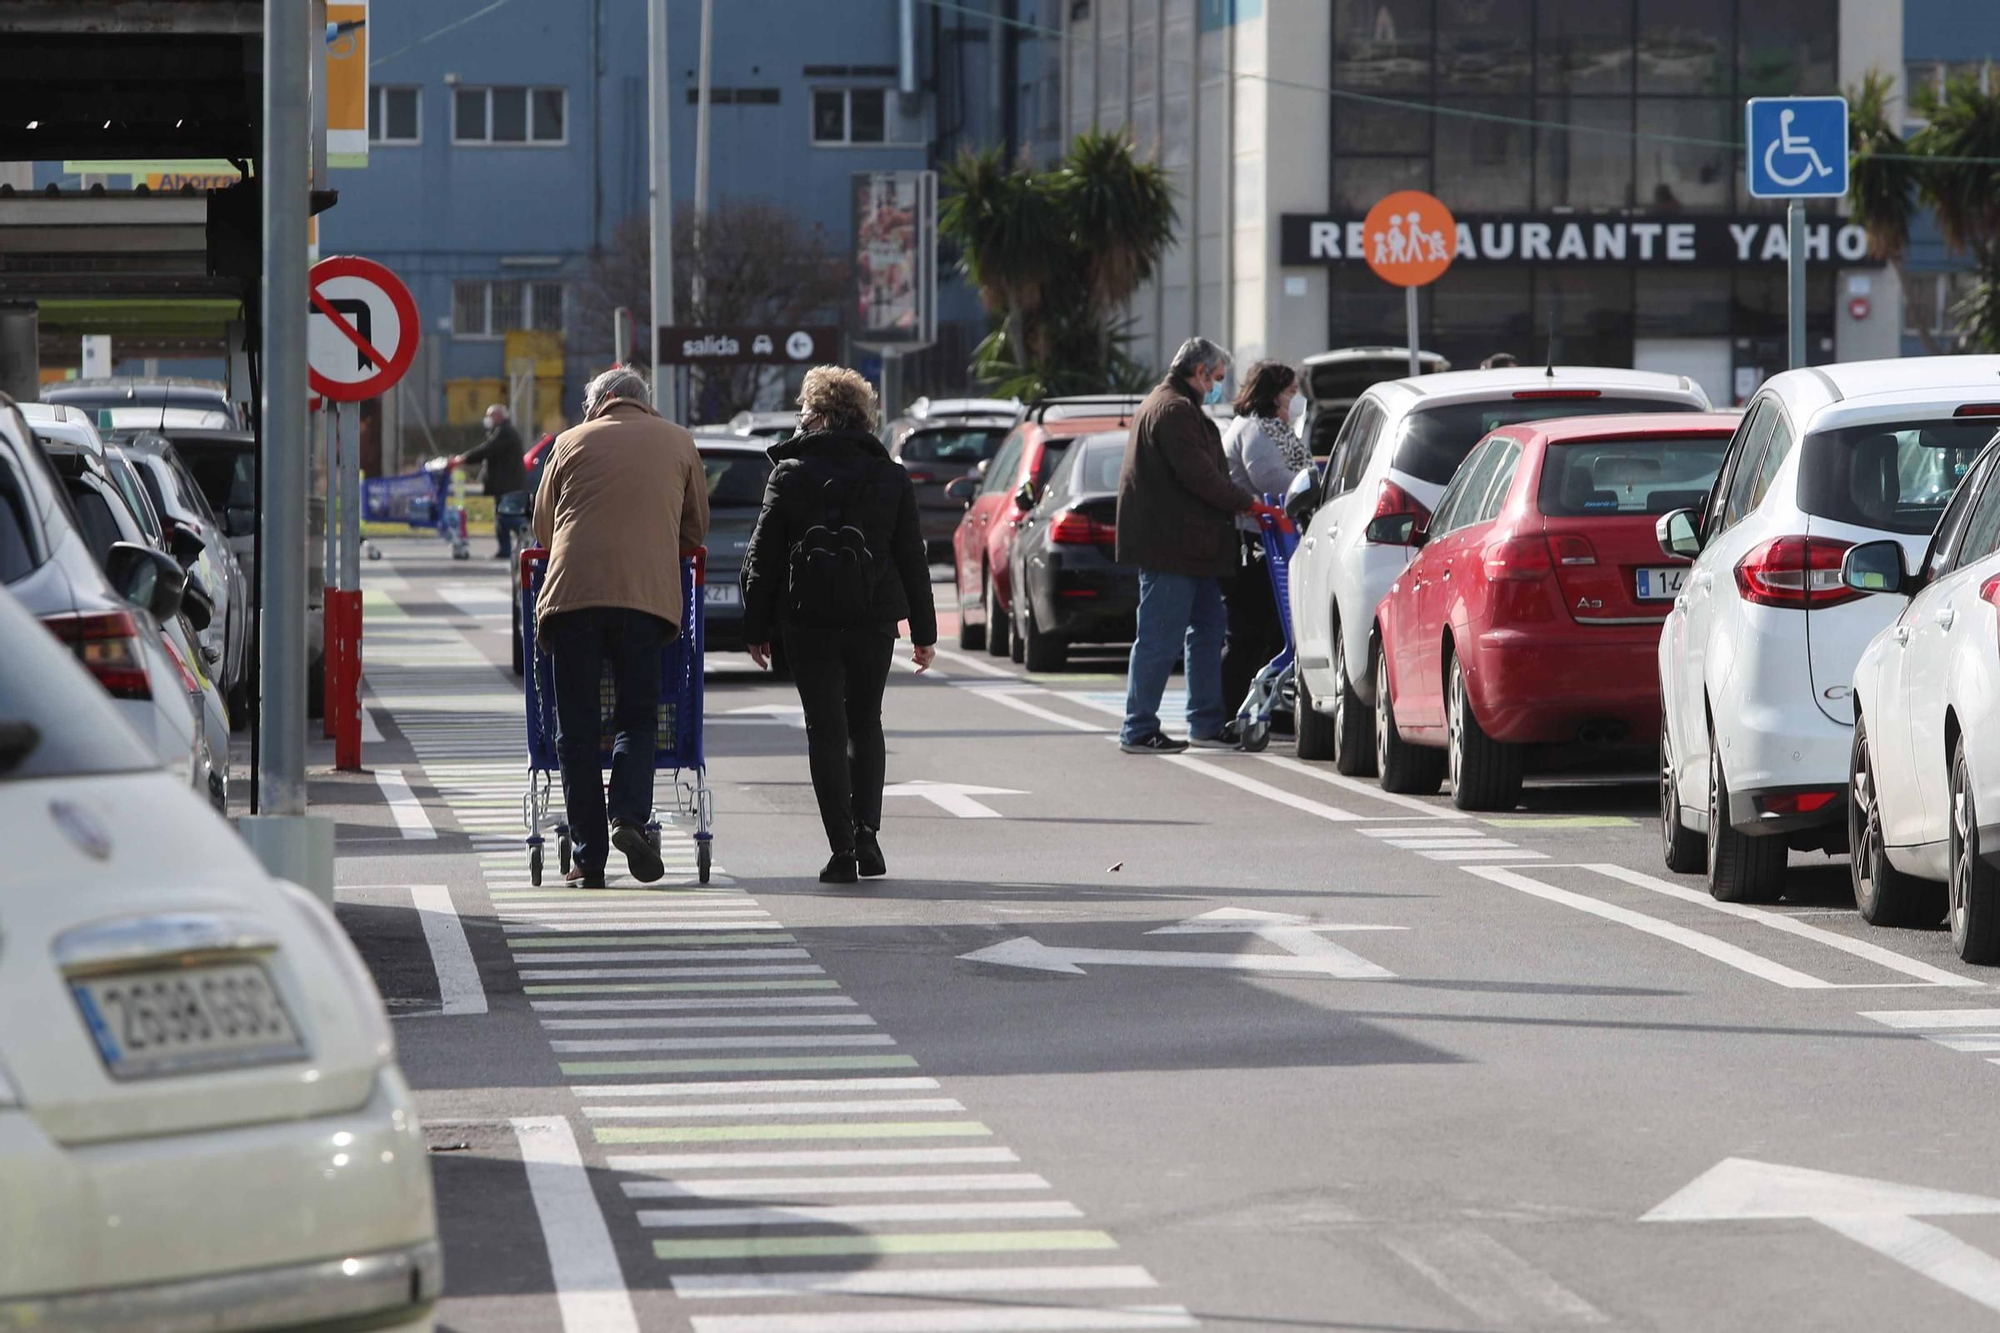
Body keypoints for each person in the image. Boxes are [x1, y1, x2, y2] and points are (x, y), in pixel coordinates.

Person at [741, 366, 937, 884]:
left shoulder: (789, 474)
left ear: (823, 415)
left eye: (805, 411)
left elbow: (763, 556)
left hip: (809, 621)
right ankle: (869, 835)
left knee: (824, 730)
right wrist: (924, 632)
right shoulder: (890, 476)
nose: (800, 421)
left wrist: (756, 626)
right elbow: (911, 557)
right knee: (865, 722)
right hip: (873, 619)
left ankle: (842, 848)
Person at [531, 368, 709, 888]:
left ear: (601, 401)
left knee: (576, 731)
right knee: (637, 715)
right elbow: (694, 530)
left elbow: (544, 528)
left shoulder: (567, 442)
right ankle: (628, 817)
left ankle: (588, 859)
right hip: (646, 600)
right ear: (642, 402)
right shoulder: (679, 441)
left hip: (571, 599)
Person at [1115, 337, 1285, 754]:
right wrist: (1251, 504)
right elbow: (1201, 477)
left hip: (1191, 548)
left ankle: (1206, 723)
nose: (1219, 388)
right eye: (1218, 379)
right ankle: (1138, 729)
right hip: (1171, 547)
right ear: (1200, 373)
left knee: (1208, 630)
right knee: (1160, 637)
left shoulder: (1174, 405)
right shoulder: (1173, 410)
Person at [1220, 360, 1311, 710]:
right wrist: (1310, 489)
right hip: (1254, 542)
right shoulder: (1254, 430)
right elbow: (1271, 479)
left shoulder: (1273, 428)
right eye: (1290, 392)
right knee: (1249, 631)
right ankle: (1230, 709)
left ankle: (1270, 705)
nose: (1295, 399)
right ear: (1273, 394)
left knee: (1273, 630)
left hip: (1270, 539)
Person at [456, 404, 528, 560]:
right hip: (505, 484)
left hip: (509, 484)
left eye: (490, 415)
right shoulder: (501, 431)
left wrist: (464, 459)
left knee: (507, 517)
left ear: (499, 416)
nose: (487, 419)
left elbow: (487, 449)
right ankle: (505, 549)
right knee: (502, 517)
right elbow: (491, 455)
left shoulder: (505, 433)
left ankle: (528, 536)